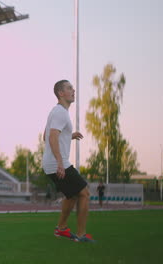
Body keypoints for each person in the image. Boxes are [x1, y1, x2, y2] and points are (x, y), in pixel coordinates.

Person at [42, 80, 95, 243]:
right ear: (61, 93)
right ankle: (81, 235)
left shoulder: (57, 111)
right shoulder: (60, 112)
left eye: (73, 88)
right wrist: (59, 162)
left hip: (52, 163)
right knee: (84, 193)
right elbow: (51, 137)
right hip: (57, 163)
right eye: (69, 88)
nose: (73, 90)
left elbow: (46, 135)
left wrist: (68, 135)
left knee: (72, 195)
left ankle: (62, 229)